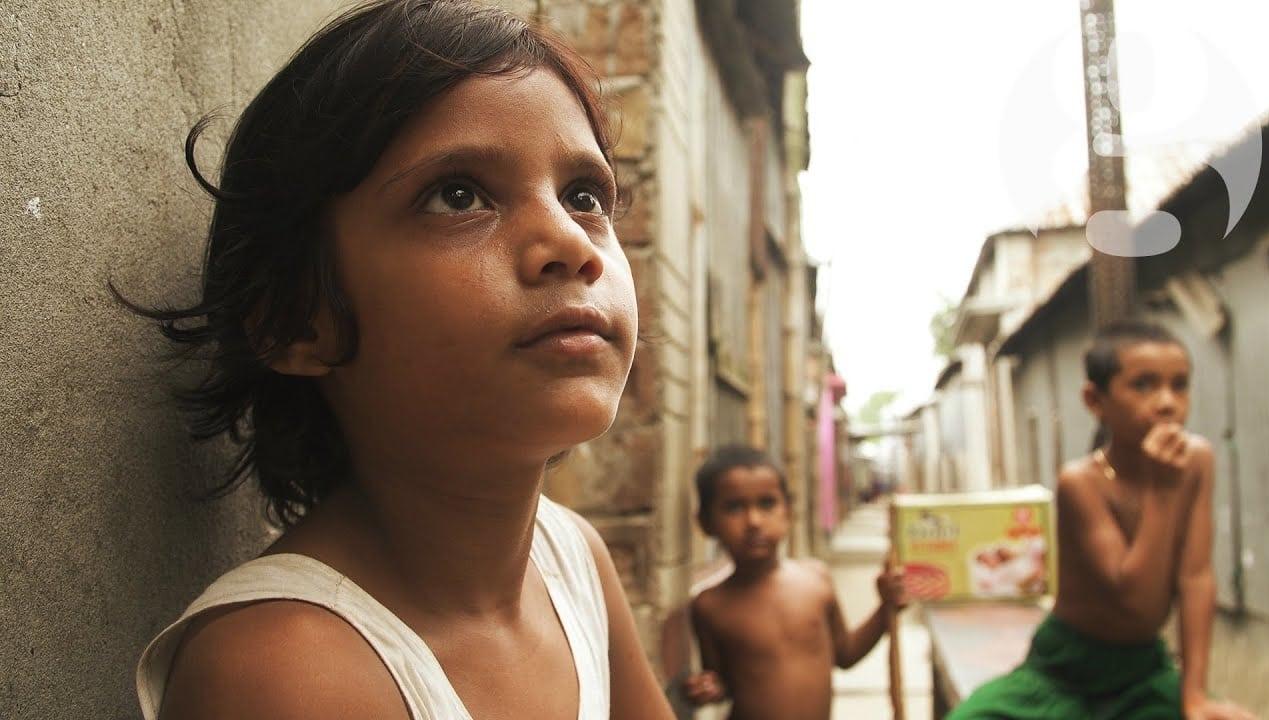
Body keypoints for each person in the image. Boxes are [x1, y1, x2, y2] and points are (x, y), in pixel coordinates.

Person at [124, 2, 674, 718]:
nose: (571, 243)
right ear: (297, 321)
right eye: (457, 195)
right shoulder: (284, 673)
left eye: (583, 195)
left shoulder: (571, 561)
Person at [949, 320, 1255, 720]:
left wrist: (1194, 694)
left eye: (1179, 385)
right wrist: (1162, 493)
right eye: (1143, 385)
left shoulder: (1197, 461)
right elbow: (1132, 597)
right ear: (1095, 400)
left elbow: (1195, 578)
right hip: (1066, 667)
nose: (1166, 402)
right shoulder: (1081, 483)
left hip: (1141, 668)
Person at [683, 445, 905, 720]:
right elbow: (724, 683)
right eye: (734, 507)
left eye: (767, 503)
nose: (753, 521)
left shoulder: (816, 579)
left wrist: (886, 608)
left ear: (788, 511)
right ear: (706, 522)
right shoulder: (710, 606)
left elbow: (845, 654)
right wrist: (710, 687)